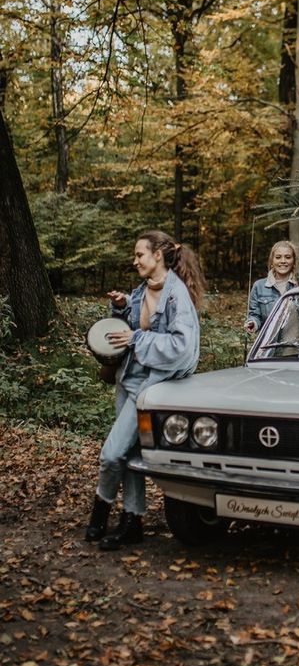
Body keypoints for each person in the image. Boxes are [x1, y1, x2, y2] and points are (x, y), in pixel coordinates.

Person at [85, 231, 205, 551]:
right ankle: (132, 521)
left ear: (158, 256)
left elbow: (182, 348)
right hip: (128, 380)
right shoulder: (140, 291)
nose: (135, 260)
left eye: (140, 254)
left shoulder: (177, 296)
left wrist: (136, 338)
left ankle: (100, 510)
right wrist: (122, 308)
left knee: (111, 453)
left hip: (153, 387)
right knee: (130, 454)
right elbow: (127, 332)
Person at [245, 240, 299, 337]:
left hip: (295, 346)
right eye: (278, 257)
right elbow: (255, 315)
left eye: (288, 257)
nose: (283, 261)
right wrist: (253, 323)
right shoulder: (259, 286)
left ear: (293, 261)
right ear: (272, 261)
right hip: (268, 345)